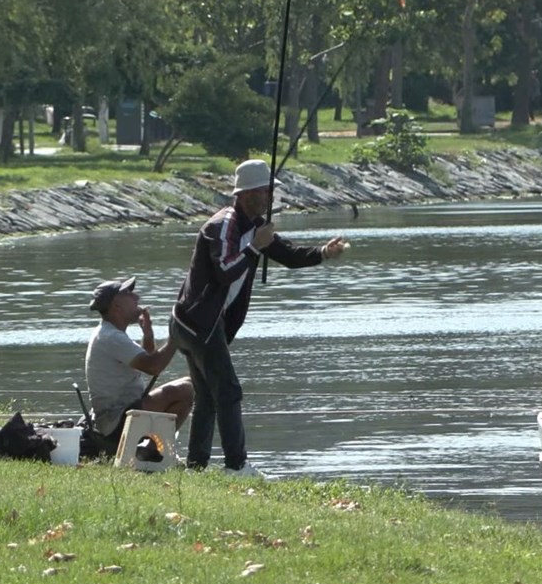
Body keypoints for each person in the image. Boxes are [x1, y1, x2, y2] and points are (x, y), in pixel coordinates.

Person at [170, 159, 348, 477]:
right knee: (228, 391)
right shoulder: (223, 225)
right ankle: (237, 466)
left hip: (196, 323)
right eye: (265, 191)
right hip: (198, 324)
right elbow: (225, 271)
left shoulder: (254, 226)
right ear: (248, 193)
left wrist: (323, 252)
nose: (270, 197)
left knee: (209, 397)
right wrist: (254, 248)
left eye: (271, 191)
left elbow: (289, 255)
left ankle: (195, 467)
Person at [85, 277, 194, 457]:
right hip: (117, 420)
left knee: (187, 386)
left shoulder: (110, 333)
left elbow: (146, 360)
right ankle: (153, 452)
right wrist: (177, 335)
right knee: (185, 389)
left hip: (117, 416)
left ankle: (152, 452)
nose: (136, 297)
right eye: (129, 294)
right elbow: (154, 367)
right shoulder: (111, 337)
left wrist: (148, 335)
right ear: (116, 306)